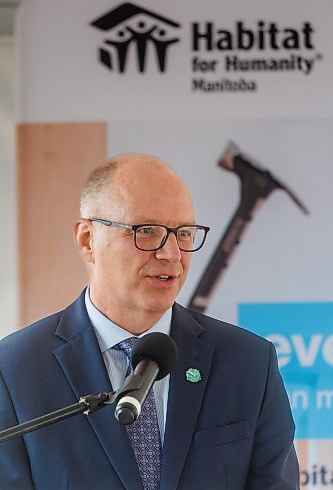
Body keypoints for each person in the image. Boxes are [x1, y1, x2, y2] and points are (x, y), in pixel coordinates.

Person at [0, 154, 299, 489]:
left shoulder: (249, 363)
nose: (171, 254)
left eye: (183, 233)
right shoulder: (16, 369)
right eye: (147, 231)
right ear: (87, 240)